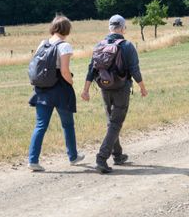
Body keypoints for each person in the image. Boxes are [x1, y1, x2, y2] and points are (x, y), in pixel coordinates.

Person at [81, 15, 148, 174]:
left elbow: (92, 69)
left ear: (109, 28)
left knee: (112, 121)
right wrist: (142, 88)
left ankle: (117, 155)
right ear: (123, 28)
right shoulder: (127, 46)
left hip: (104, 87)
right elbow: (135, 70)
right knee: (116, 122)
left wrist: (85, 90)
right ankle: (102, 158)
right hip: (121, 88)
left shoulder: (99, 45)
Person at [27, 15, 84, 172]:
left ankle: (33, 160)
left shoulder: (42, 44)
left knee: (40, 125)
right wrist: (71, 82)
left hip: (42, 90)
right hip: (60, 90)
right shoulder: (65, 46)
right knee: (67, 124)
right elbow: (65, 71)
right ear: (67, 29)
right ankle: (73, 156)